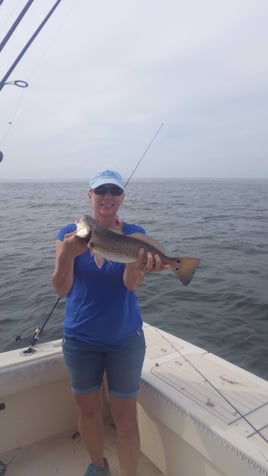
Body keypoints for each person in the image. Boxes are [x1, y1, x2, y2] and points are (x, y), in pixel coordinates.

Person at [51, 168, 164, 476]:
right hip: (80, 340)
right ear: (90, 196)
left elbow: (130, 285)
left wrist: (140, 265)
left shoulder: (134, 233)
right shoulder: (68, 235)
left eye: (115, 191)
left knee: (126, 419)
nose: (108, 197)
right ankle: (97, 467)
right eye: (101, 191)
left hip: (124, 340)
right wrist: (66, 256)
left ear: (122, 198)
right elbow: (61, 289)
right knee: (87, 413)